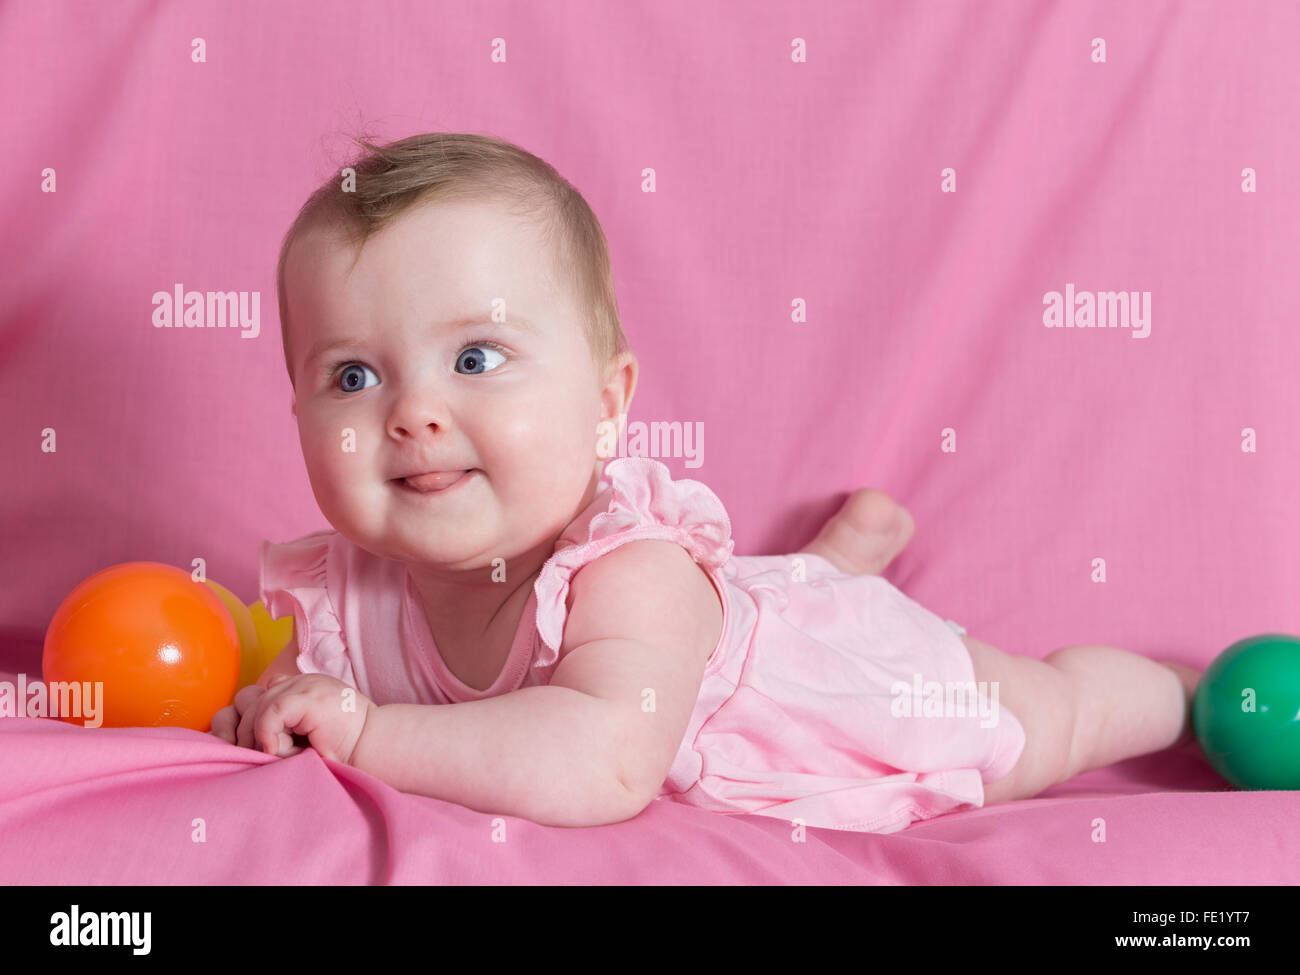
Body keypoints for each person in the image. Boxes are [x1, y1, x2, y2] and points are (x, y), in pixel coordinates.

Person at [211, 132, 1201, 833]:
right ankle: (824, 563)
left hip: (851, 694)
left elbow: (603, 758)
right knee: (747, 610)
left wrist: (371, 734)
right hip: (711, 650)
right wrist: (269, 711)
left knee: (1041, 720)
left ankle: (1181, 691)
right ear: (297, 414)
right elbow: (313, 709)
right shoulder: (349, 591)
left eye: (476, 360)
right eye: (353, 375)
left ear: (607, 405)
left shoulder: (631, 569)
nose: (413, 413)